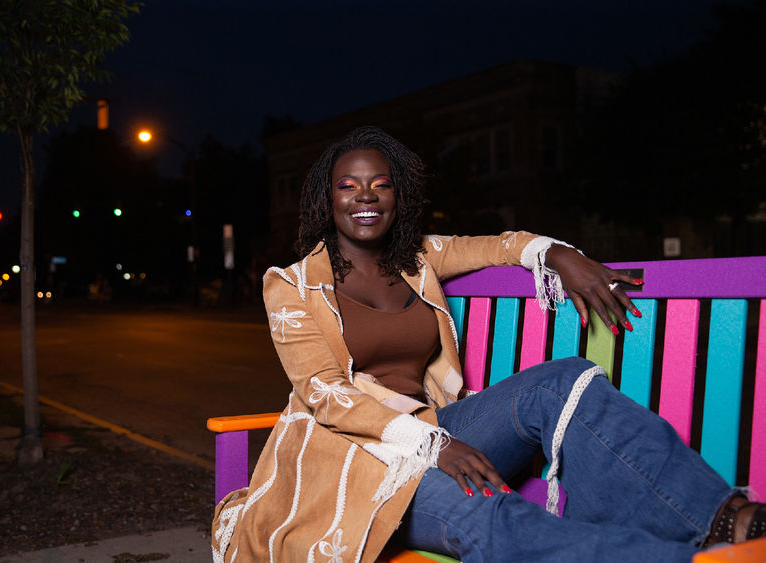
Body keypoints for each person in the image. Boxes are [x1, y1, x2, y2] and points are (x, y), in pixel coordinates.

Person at [211, 126, 765, 562]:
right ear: (326, 199)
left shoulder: (419, 258)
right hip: (354, 463)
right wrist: (433, 445)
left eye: (380, 184)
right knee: (485, 514)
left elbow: (501, 246)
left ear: (397, 195)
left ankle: (730, 521)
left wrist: (558, 255)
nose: (366, 197)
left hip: (439, 432)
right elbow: (325, 393)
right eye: (348, 185)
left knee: (562, 381)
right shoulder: (289, 285)